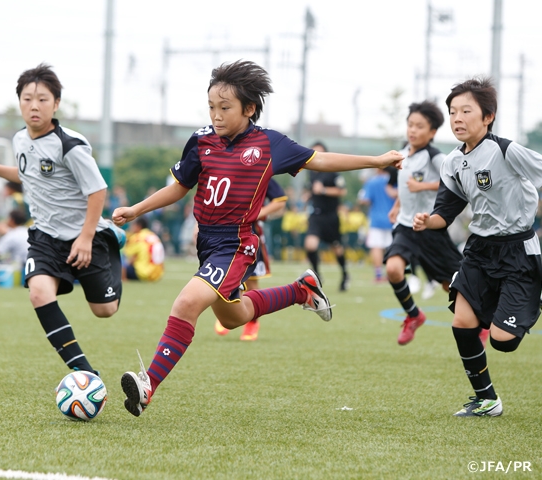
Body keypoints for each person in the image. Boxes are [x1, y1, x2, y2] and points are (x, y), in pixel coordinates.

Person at [112, 60, 403, 417]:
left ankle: (148, 386)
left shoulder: (269, 144)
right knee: (235, 316)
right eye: (211, 107)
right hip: (208, 244)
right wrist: (136, 210)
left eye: (225, 108)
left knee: (186, 303)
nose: (216, 115)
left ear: (249, 108)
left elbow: (321, 161)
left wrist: (377, 159)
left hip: (236, 244)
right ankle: (301, 290)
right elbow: (179, 188)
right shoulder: (201, 140)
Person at [0, 63, 125, 377]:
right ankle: (84, 375)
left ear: (56, 104)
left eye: (42, 99)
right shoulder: (19, 140)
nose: (34, 105)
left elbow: (98, 190)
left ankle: (110, 242)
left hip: (85, 235)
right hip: (44, 236)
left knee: (105, 310)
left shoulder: (71, 145)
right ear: (20, 103)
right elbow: (27, 174)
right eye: (27, 99)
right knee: (39, 293)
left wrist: (85, 238)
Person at [413, 77, 542, 417]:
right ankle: (487, 400)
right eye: (453, 111)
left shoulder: (506, 150)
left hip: (518, 251)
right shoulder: (452, 162)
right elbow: (446, 210)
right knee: (463, 322)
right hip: (479, 250)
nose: (457, 118)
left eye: (466, 110)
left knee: (503, 340)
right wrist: (429, 221)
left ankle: (533, 295)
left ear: (488, 116)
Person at [383, 101, 463, 346]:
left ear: (432, 132)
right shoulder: (403, 152)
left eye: (419, 126)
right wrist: (396, 207)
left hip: (429, 227)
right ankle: (414, 315)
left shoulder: (435, 156)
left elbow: (454, 182)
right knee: (393, 269)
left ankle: (479, 324)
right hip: (406, 227)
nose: (413, 130)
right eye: (410, 125)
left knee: (452, 286)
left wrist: (423, 186)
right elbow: (403, 186)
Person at [214, 178, 288, 341]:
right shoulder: (221, 168)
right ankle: (227, 311)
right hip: (221, 232)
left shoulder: (261, 170)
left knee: (252, 282)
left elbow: (280, 201)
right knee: (220, 275)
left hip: (250, 235)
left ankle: (252, 323)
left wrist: (256, 213)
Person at [304, 141, 349, 291]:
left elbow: (342, 191)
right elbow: (313, 191)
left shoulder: (332, 171)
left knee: (336, 248)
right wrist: (309, 196)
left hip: (331, 217)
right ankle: (317, 275)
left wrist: (323, 190)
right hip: (316, 216)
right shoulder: (311, 172)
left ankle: (344, 274)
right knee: (310, 245)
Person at [358, 168, 395, 282]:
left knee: (376, 247)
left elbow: (365, 200)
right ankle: (392, 273)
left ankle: (379, 275)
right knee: (392, 248)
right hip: (392, 218)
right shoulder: (394, 180)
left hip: (376, 219)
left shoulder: (372, 182)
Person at [121, 216, 165, 282]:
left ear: (138, 226)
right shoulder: (153, 236)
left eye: (133, 225)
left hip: (143, 273)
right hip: (157, 275)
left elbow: (131, 259)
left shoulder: (137, 238)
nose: (131, 227)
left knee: (117, 266)